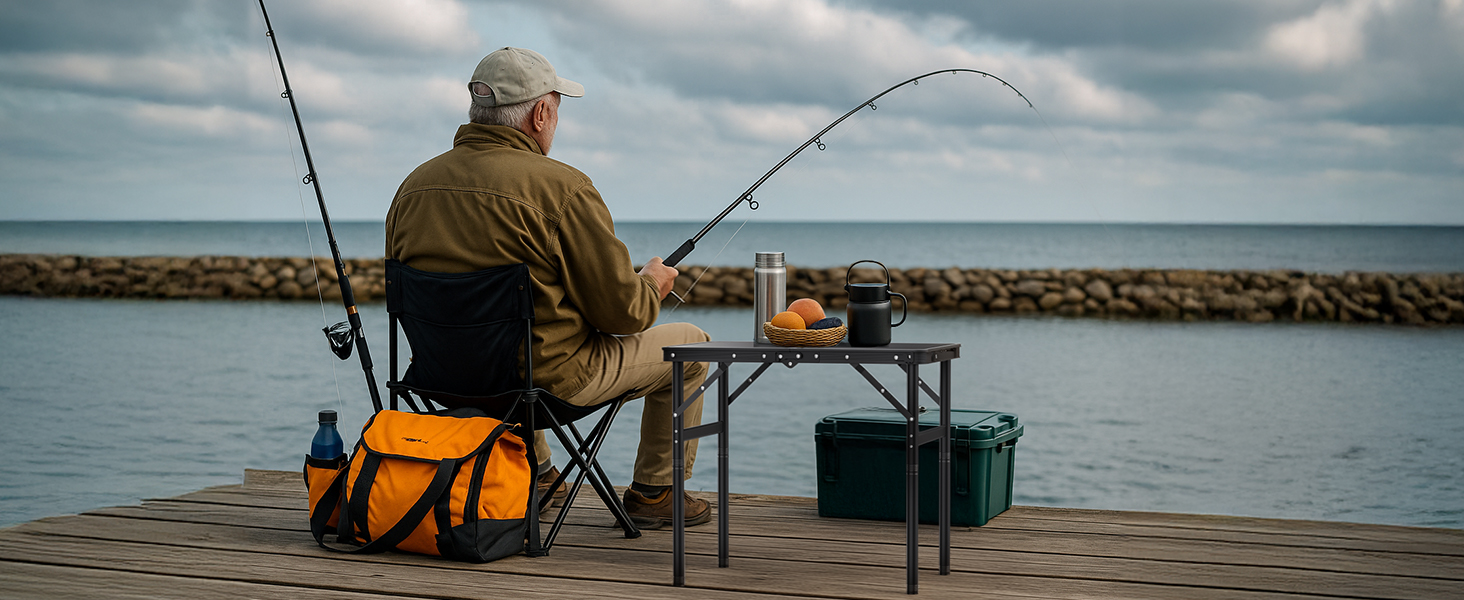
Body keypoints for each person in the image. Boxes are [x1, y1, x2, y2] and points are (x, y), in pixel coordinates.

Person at [385, 47, 710, 529]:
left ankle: (535, 476)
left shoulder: (413, 187)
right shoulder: (563, 187)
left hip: (442, 378)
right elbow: (623, 314)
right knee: (692, 345)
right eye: (556, 109)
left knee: (509, 343)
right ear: (540, 114)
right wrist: (651, 283)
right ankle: (656, 492)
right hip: (549, 386)